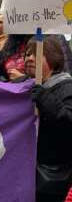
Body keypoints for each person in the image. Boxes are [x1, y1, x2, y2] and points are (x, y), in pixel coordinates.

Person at [22, 37, 72, 202]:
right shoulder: (24, 85)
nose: (28, 58)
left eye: (36, 54)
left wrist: (45, 99)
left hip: (53, 176)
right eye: (27, 54)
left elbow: (68, 123)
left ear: (53, 58)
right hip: (26, 172)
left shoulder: (67, 88)